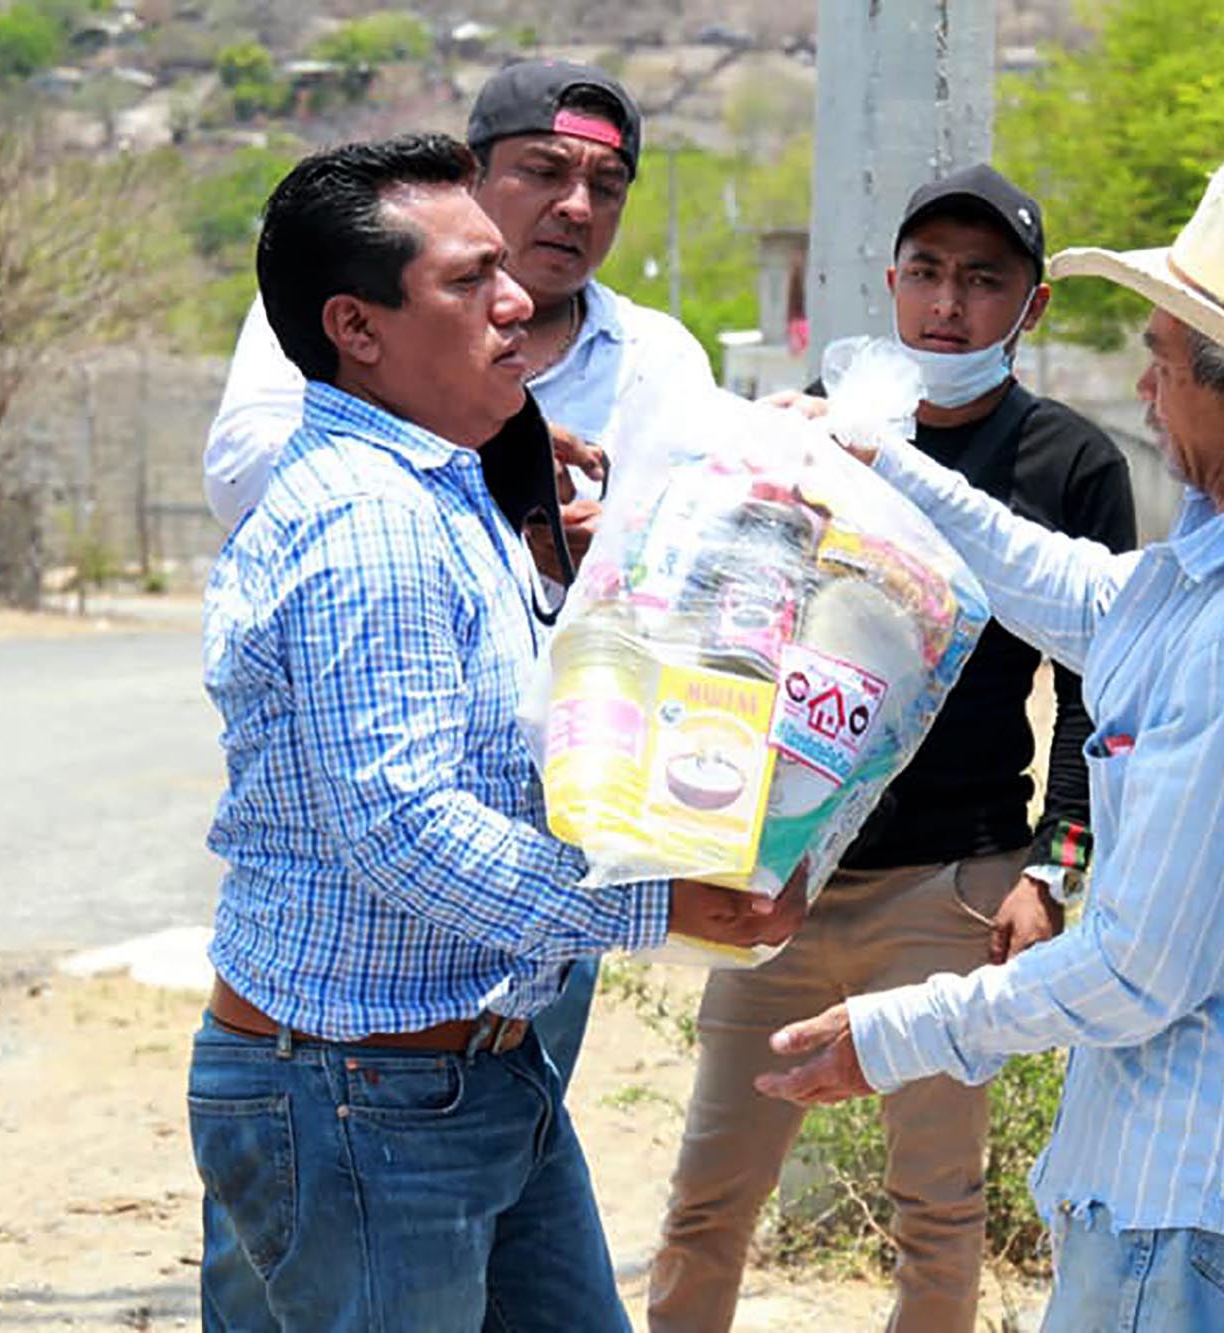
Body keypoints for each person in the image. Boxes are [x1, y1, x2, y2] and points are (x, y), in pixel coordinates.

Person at [755, 155, 1224, 1333]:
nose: (1141, 388)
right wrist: (882, 464)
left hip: (1200, 1209)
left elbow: (1137, 970)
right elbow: (1088, 596)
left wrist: (894, 1032)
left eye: (1164, 363)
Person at [189, 132, 802, 1329]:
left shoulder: (446, 485)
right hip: (363, 1095)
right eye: (467, 280)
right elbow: (406, 831)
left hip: (471, 1068)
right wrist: (658, 903)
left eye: (498, 268)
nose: (517, 297)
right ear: (356, 330)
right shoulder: (370, 523)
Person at [648, 165, 1138, 1333]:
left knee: (937, 1206)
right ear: (887, 283)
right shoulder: (811, 434)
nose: (947, 305)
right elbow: (730, 633)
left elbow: (1093, 694)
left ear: (1032, 306)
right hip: (780, 886)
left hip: (944, 888)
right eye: (925, 273)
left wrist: (1048, 864)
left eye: (982, 279)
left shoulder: (1069, 465)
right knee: (709, 1199)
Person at [201, 59, 715, 1086]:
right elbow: (402, 828)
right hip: (367, 1055)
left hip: (519, 950)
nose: (573, 208)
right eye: (540, 172)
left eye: (605, 186)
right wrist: (507, 459)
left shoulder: (651, 356)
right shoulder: (371, 489)